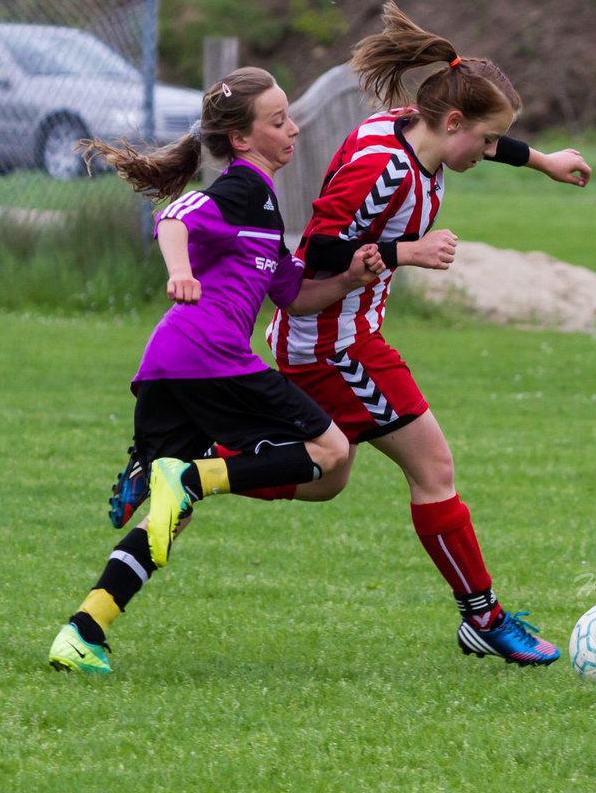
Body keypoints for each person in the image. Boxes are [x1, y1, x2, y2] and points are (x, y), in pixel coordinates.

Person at [263, 0, 593, 667]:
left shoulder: (410, 132)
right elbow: (319, 250)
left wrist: (544, 160)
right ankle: (484, 618)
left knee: (329, 477)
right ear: (452, 121)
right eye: (486, 136)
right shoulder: (383, 168)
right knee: (432, 468)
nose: (488, 149)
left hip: (343, 337)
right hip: (334, 344)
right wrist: (406, 250)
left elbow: (485, 142)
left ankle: (196, 464)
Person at [48, 67, 383, 674]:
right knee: (332, 452)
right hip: (209, 357)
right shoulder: (240, 190)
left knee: (166, 520)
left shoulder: (264, 208)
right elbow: (173, 219)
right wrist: (180, 271)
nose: (294, 129)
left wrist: (351, 280)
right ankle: (195, 476)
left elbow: (292, 295)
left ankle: (82, 631)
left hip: (170, 367)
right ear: (242, 140)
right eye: (278, 121)